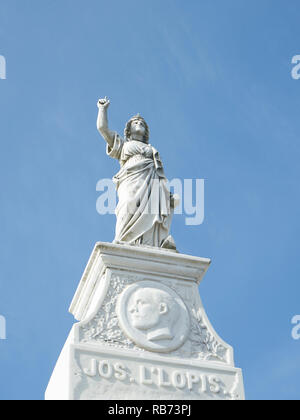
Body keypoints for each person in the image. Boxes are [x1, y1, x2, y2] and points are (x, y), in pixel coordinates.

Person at [97, 97, 177, 249]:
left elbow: (160, 174)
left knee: (152, 210)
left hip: (151, 180)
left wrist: (166, 193)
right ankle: (122, 238)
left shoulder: (151, 150)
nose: (139, 124)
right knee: (127, 205)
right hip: (130, 179)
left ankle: (153, 242)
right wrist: (102, 109)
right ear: (129, 128)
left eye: (142, 124)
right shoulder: (123, 145)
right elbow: (103, 129)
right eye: (135, 122)